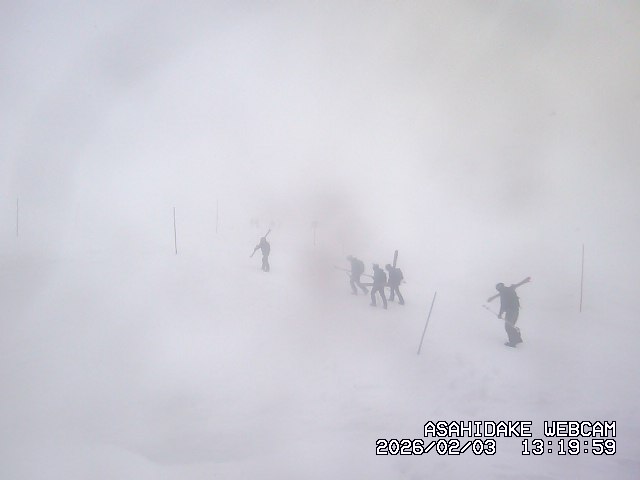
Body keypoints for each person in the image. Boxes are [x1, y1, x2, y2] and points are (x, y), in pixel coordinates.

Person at [488, 277, 530, 347]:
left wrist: (500, 314)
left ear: (499, 289)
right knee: (511, 325)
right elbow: (518, 284)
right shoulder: (509, 289)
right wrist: (525, 281)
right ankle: (517, 339)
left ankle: (513, 342)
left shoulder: (503, 293)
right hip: (516, 310)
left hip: (511, 312)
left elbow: (503, 305)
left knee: (508, 327)